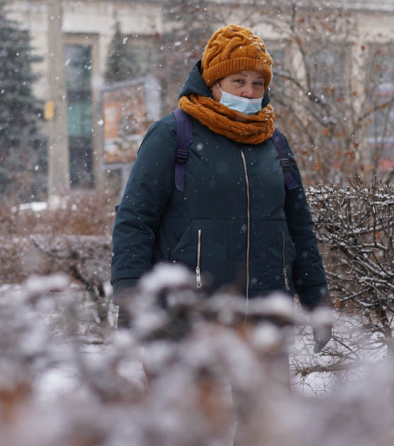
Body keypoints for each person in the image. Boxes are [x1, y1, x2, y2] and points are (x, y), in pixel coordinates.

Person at [110, 23, 332, 349]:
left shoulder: (275, 143)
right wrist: (131, 298)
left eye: (258, 83)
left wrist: (317, 300)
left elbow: (298, 228)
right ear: (213, 83)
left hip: (264, 322)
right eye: (238, 81)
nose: (249, 92)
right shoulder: (173, 135)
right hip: (187, 320)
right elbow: (136, 219)